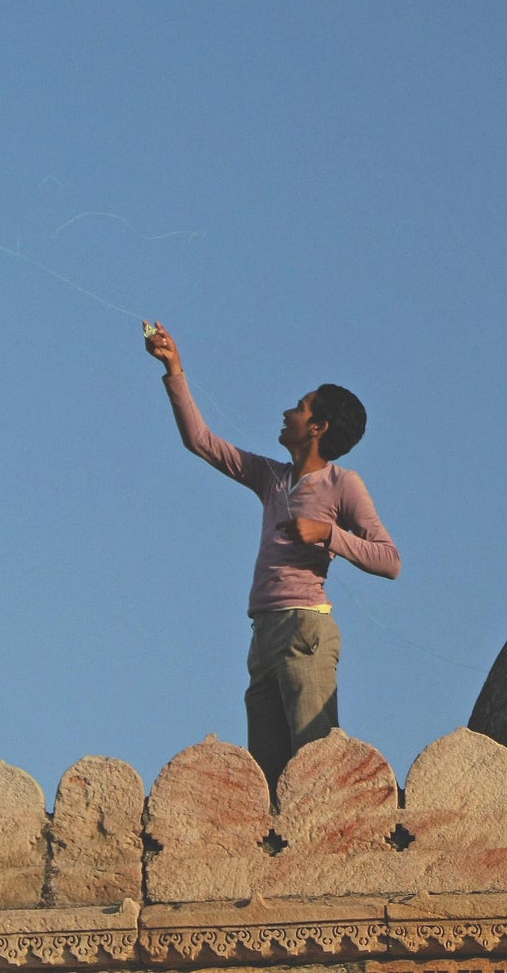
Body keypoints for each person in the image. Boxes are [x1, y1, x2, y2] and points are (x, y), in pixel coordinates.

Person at [144, 321, 401, 795]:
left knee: (314, 771)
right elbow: (201, 442)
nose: (288, 411)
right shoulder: (272, 477)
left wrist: (327, 534)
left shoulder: (343, 484)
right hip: (263, 636)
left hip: (305, 630)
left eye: (300, 407)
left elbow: (389, 560)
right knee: (267, 781)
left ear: (318, 427)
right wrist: (174, 369)